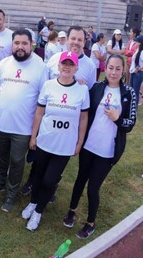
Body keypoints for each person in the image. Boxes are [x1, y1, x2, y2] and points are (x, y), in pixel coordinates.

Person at [63, 54, 138, 239]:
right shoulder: (96, 88)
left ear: (123, 70)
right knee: (81, 179)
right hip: (89, 146)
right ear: (106, 69)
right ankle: (71, 211)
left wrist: (117, 119)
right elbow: (83, 111)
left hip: (107, 151)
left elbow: (130, 124)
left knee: (93, 187)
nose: (113, 72)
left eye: (118, 69)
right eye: (110, 68)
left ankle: (90, 223)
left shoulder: (129, 93)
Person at [21, 51, 89, 231]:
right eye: (64, 63)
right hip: (44, 140)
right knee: (38, 175)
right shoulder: (49, 85)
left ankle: (39, 212)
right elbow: (39, 113)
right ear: (58, 66)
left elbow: (83, 119)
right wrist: (33, 136)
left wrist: (79, 142)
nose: (67, 67)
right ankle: (33, 203)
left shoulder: (82, 89)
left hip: (64, 145)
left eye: (70, 64)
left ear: (76, 67)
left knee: (49, 181)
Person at [0, 29, 48, 213]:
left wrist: (35, 132)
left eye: (24, 43)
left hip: (23, 128)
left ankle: (11, 194)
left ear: (32, 45)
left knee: (17, 161)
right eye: (17, 43)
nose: (20, 47)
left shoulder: (40, 66)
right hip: (1, 124)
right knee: (0, 157)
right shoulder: (5, 63)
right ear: (12, 44)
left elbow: (43, 101)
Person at [130, 36, 143, 101]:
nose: (135, 42)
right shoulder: (138, 50)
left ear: (140, 43)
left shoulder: (142, 52)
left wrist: (138, 69)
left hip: (138, 73)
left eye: (137, 41)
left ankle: (135, 108)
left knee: (135, 92)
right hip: (133, 72)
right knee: (131, 91)